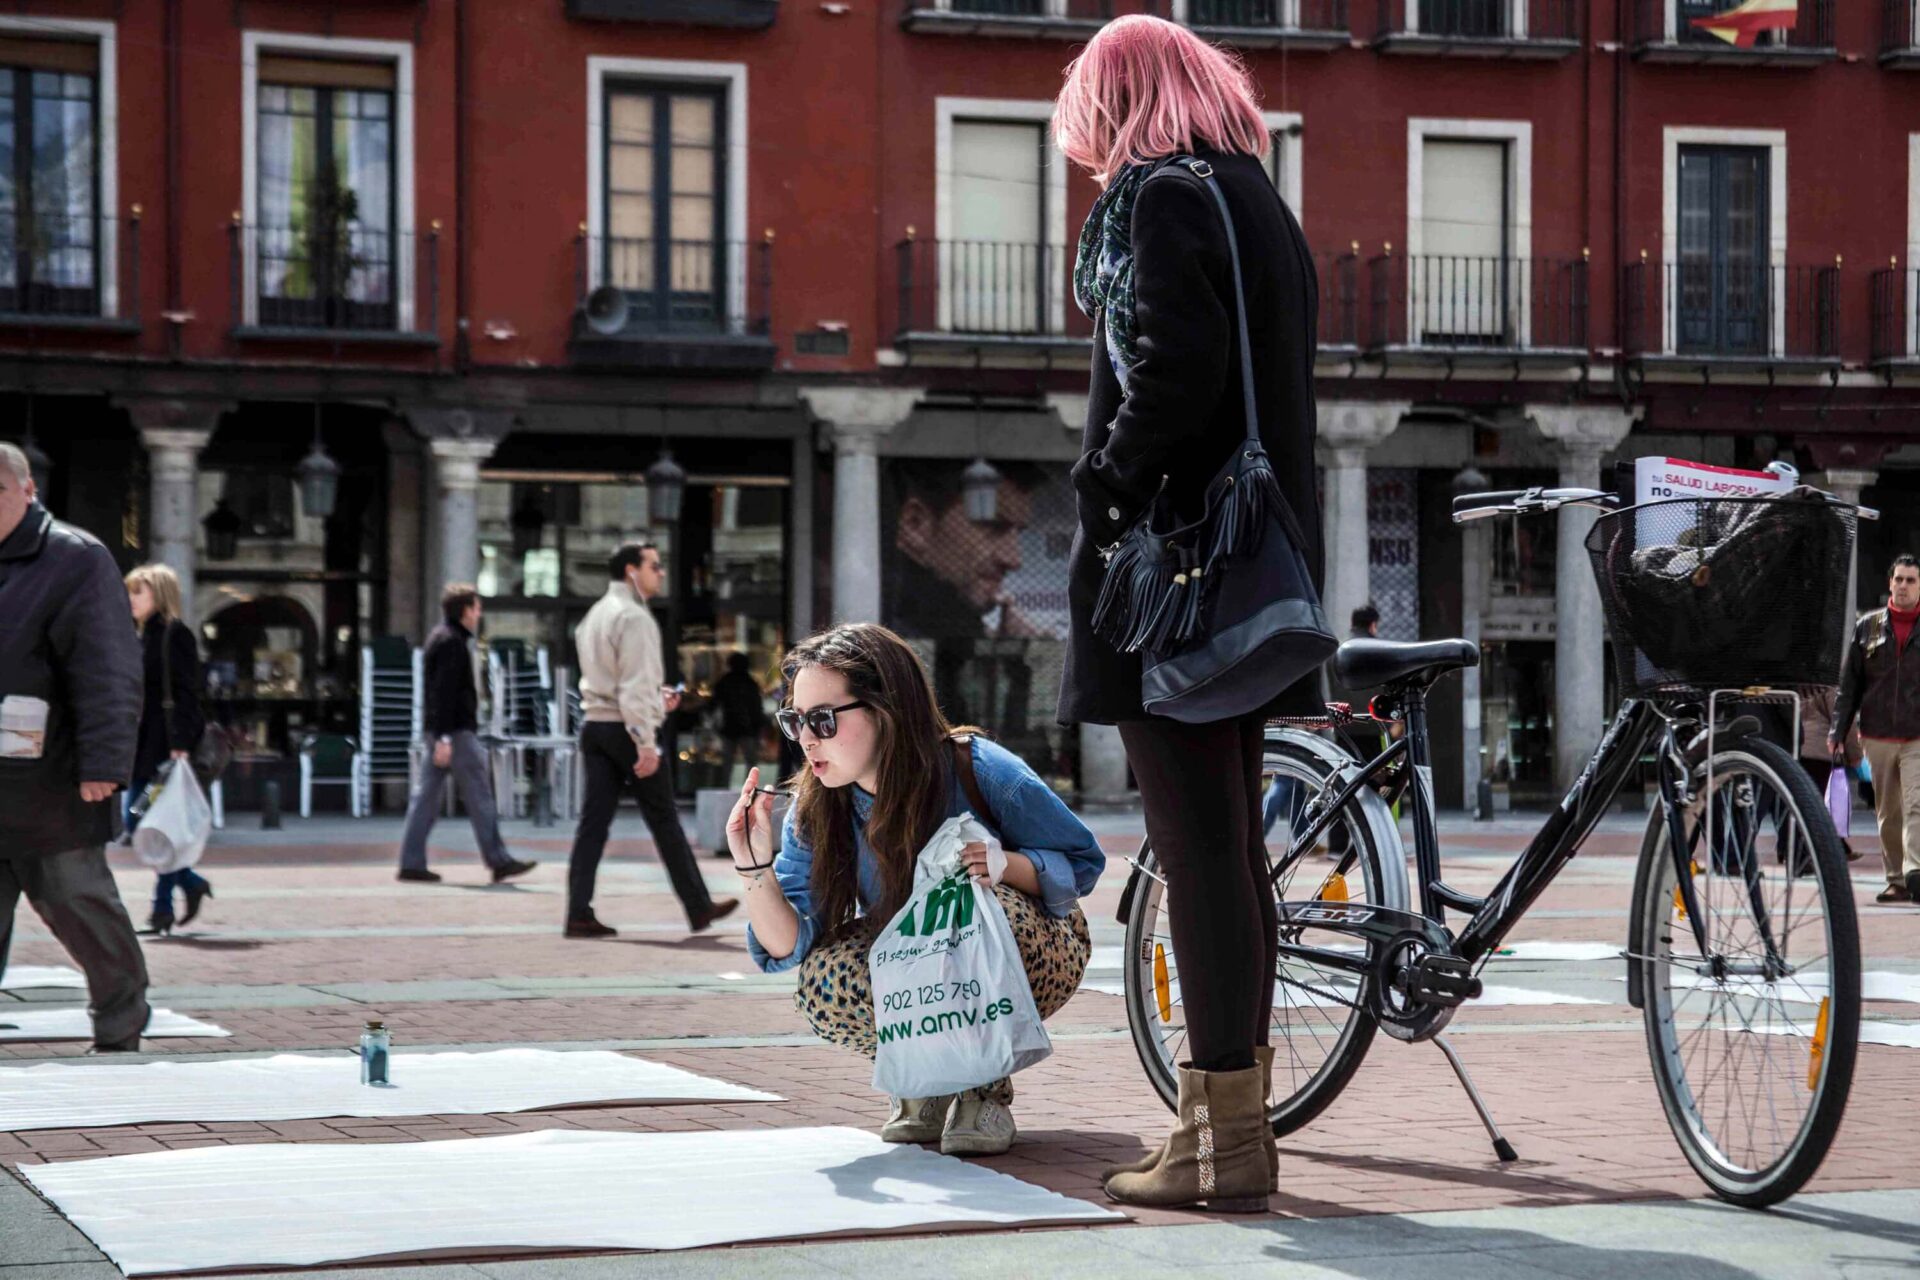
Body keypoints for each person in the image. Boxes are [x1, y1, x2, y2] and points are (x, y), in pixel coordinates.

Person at [1054, 16, 1323, 1211]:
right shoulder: (1256, 198)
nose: (1090, 148)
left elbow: (1175, 367)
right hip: (1252, 566)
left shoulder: (1163, 198)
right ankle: (1234, 1131)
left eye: (1088, 116)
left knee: (1198, 850)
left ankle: (1214, 1132)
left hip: (1175, 574)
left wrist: (1102, 483)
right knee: (1226, 855)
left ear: (1118, 100)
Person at [730, 624, 1100, 1156]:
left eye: (823, 719)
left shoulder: (977, 768)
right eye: (795, 721)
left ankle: (983, 1088)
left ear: (885, 710)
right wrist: (752, 864)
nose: (807, 738)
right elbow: (789, 946)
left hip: (1031, 942)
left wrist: (1005, 864)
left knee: (977, 911)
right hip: (912, 957)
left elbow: (1082, 863)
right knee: (824, 977)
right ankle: (927, 1077)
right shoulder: (817, 806)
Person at [0, 442, 150, 1052]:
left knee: (81, 908)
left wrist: (105, 765)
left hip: (52, 784)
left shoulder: (75, 558)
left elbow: (108, 669)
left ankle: (120, 1026)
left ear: (27, 491)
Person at [568, 542, 737, 938]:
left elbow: (617, 682)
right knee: (664, 819)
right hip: (627, 731)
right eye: (654, 566)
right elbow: (632, 685)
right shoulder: (634, 617)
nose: (661, 573)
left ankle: (578, 911)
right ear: (631, 571)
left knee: (592, 825)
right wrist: (646, 740)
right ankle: (698, 906)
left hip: (596, 724)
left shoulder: (593, 616)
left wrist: (653, 701)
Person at [397, 584, 537, 886]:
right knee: (480, 795)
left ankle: (411, 862)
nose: (479, 614)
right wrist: (446, 737)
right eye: (476, 608)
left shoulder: (441, 637)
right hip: (456, 733)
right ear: (464, 611)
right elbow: (445, 693)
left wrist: (438, 733)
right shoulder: (452, 643)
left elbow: (437, 694)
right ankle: (498, 860)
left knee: (426, 798)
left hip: (443, 731)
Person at [125, 564, 214, 935]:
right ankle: (182, 891)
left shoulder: (175, 635)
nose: (130, 599)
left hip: (165, 747)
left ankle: (174, 898)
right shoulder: (142, 636)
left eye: (138, 592)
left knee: (142, 821)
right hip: (144, 745)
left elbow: (189, 693)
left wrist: (180, 744)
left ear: (158, 595)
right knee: (148, 824)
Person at [1832, 554, 1920, 904]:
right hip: (1877, 733)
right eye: (1898, 579)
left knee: (1916, 804)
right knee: (1889, 812)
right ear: (1890, 583)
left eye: (1911, 580)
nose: (1903, 586)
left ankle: (1915, 871)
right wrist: (1838, 731)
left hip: (1917, 734)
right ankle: (1896, 880)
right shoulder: (1867, 626)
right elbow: (1849, 683)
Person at [713, 652, 768, 781]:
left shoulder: (725, 682)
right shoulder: (750, 683)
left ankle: (726, 786)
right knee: (750, 761)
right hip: (745, 728)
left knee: (728, 761)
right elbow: (757, 707)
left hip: (731, 727)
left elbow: (714, 703)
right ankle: (750, 788)